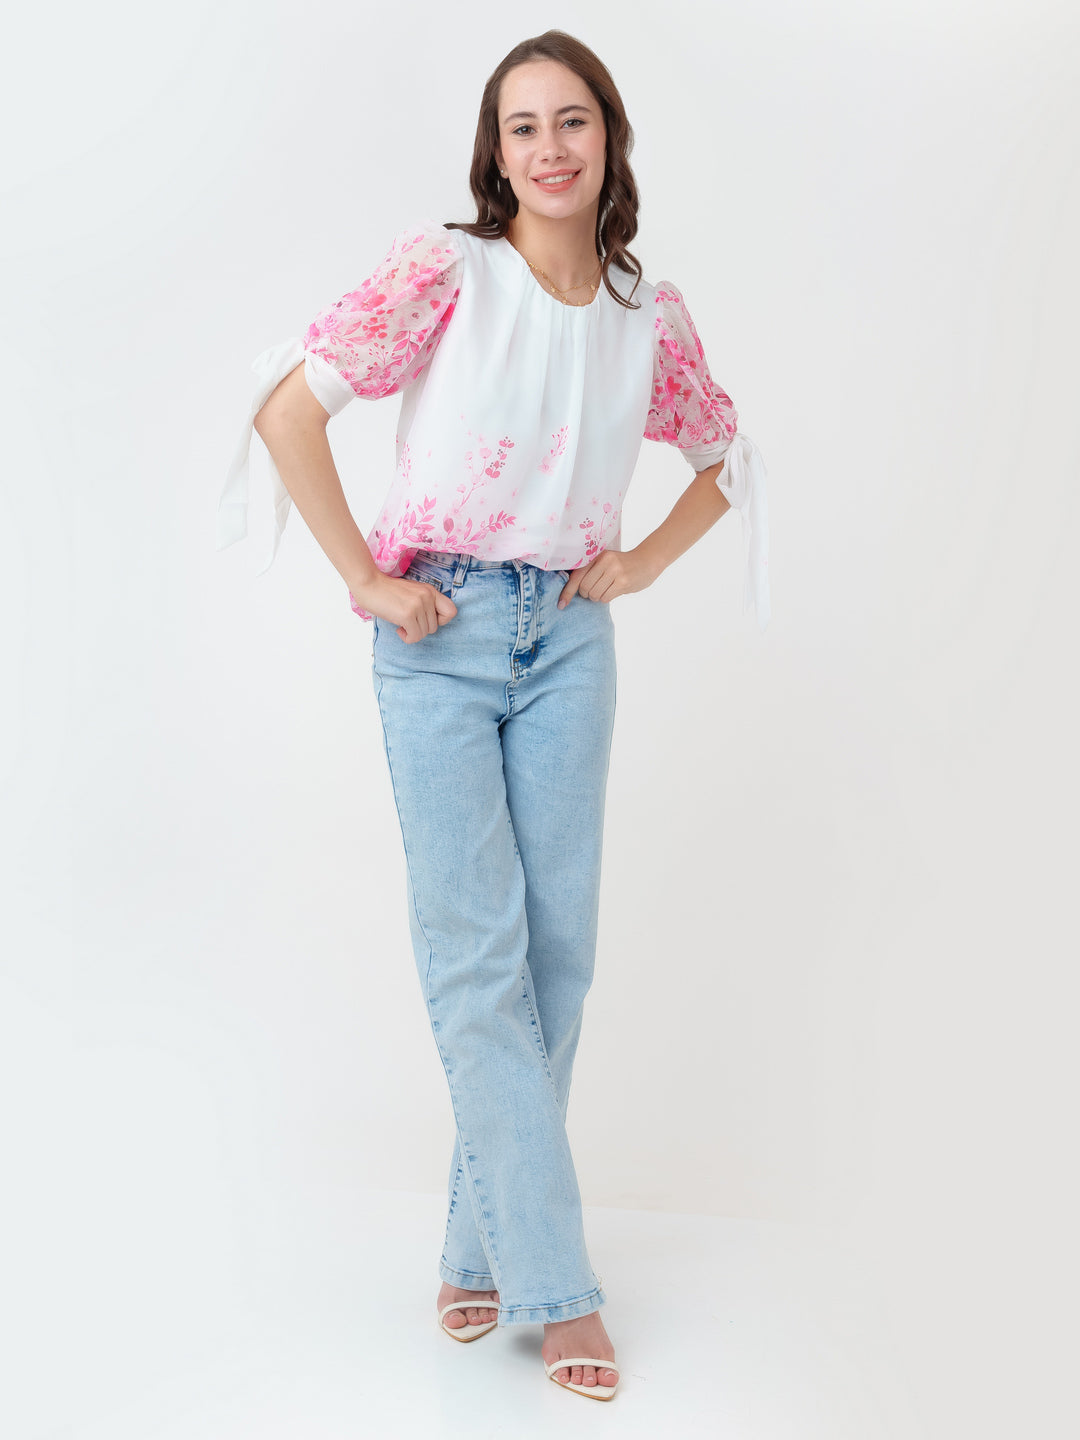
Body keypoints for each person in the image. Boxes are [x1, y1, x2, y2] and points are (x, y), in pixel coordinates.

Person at [218, 28, 769, 1404]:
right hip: (440, 634)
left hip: (571, 639)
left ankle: (477, 1249)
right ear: (496, 153)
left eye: (571, 120)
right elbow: (288, 411)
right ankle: (558, 1287)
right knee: (479, 962)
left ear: (610, 136)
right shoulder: (447, 273)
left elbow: (725, 459)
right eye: (522, 127)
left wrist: (641, 562)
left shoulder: (647, 314)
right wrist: (364, 578)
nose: (549, 148)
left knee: (557, 958)